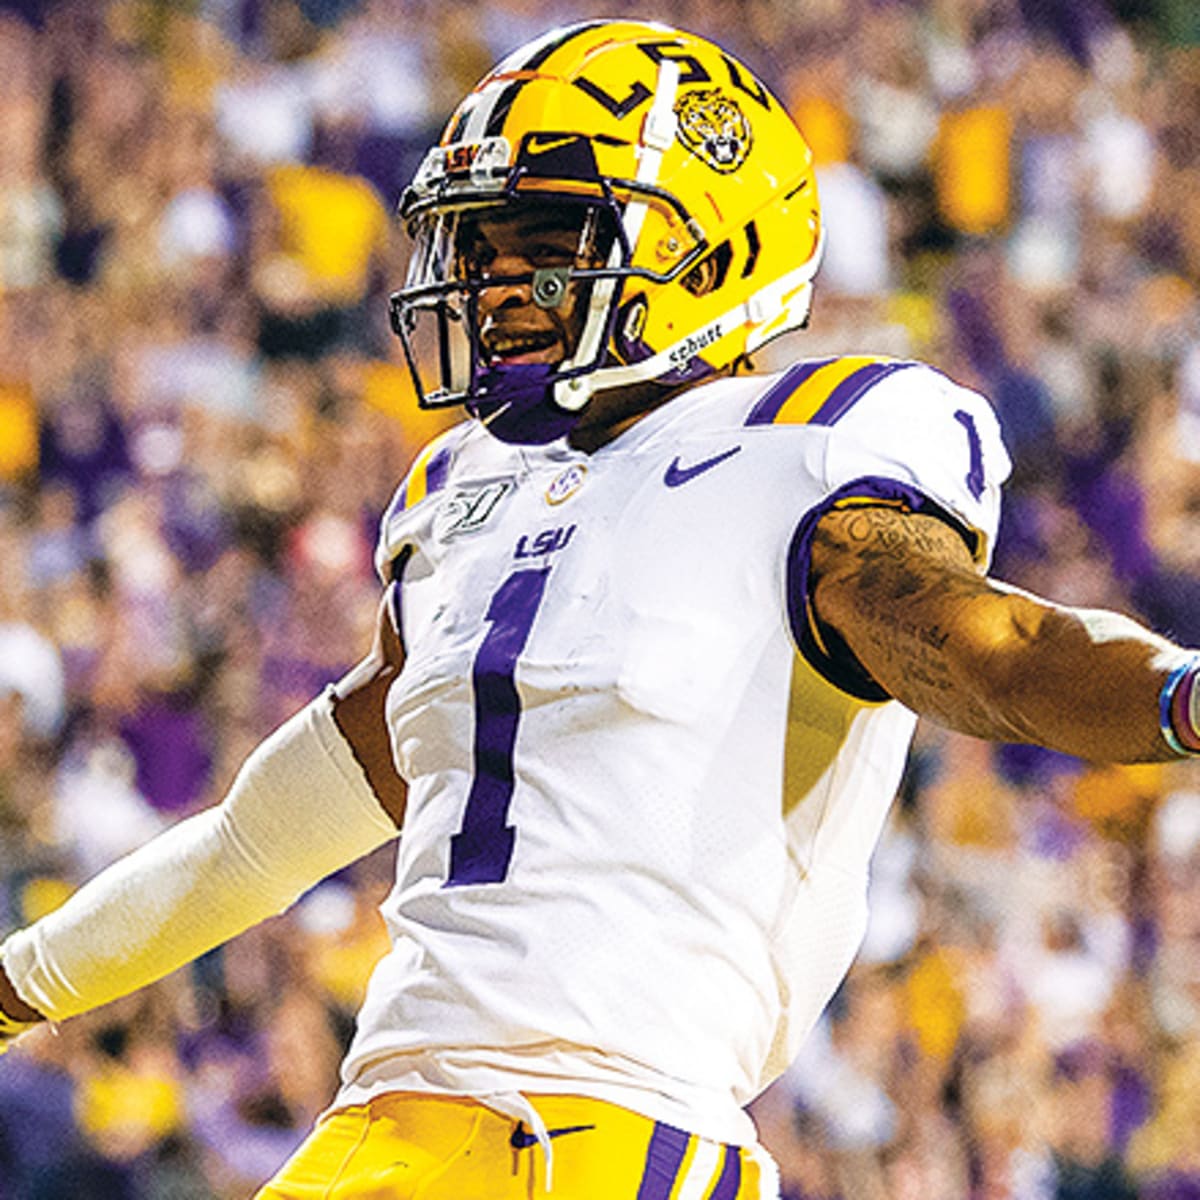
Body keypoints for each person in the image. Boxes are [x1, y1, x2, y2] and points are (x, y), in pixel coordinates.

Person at [2, 19, 1198, 1199]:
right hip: (382, 1130)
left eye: (548, 241)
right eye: (479, 248)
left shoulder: (811, 451)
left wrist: (1180, 696)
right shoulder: (459, 493)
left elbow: (995, 649)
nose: (496, 285)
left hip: (606, 1133)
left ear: (712, 250)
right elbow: (259, 841)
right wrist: (17, 986)